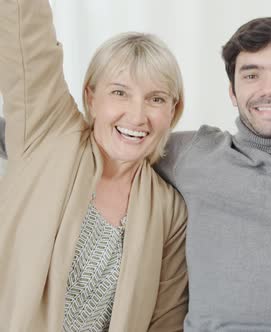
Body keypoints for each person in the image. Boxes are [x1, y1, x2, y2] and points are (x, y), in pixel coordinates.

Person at [0, 0, 271, 330]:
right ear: (232, 92)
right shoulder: (192, 154)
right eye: (252, 74)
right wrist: (26, 141)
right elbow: (92, 138)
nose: (269, 87)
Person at [0, 0, 188, 331]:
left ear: (173, 110)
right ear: (91, 97)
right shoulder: (47, 131)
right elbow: (23, 31)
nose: (137, 115)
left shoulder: (169, 210)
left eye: (156, 99)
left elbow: (166, 320)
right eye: (119, 92)